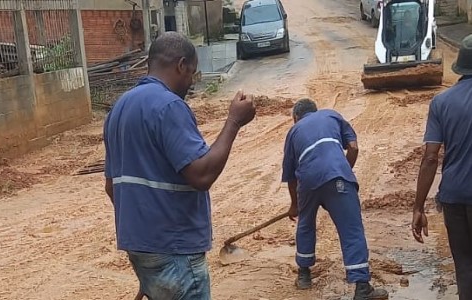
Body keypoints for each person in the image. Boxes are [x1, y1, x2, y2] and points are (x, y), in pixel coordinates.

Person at [103, 31, 256, 299]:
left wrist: (148, 254)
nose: (191, 82)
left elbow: (111, 186)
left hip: (142, 246)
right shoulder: (169, 106)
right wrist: (234, 122)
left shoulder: (119, 109)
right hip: (175, 249)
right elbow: (202, 175)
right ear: (181, 65)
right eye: (192, 73)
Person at [281, 99, 388, 300]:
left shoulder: (293, 132)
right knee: (351, 229)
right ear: (315, 111)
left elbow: (290, 176)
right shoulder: (331, 115)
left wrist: (295, 206)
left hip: (308, 182)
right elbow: (353, 147)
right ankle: (362, 288)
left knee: (305, 224)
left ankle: (304, 276)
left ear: (296, 117)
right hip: (338, 177)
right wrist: (343, 171)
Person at [412, 34, 472, 300]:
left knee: (464, 265)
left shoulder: (441, 102)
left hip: (454, 196)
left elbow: (430, 158)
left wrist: (418, 206)